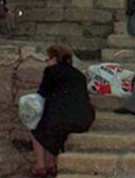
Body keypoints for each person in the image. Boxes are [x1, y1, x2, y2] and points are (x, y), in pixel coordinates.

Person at [30, 44, 95, 177]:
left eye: (47, 59)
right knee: (53, 126)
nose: (46, 62)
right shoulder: (79, 74)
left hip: (63, 117)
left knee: (36, 126)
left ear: (54, 58)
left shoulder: (51, 71)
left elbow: (42, 93)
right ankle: (50, 164)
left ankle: (40, 165)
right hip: (84, 118)